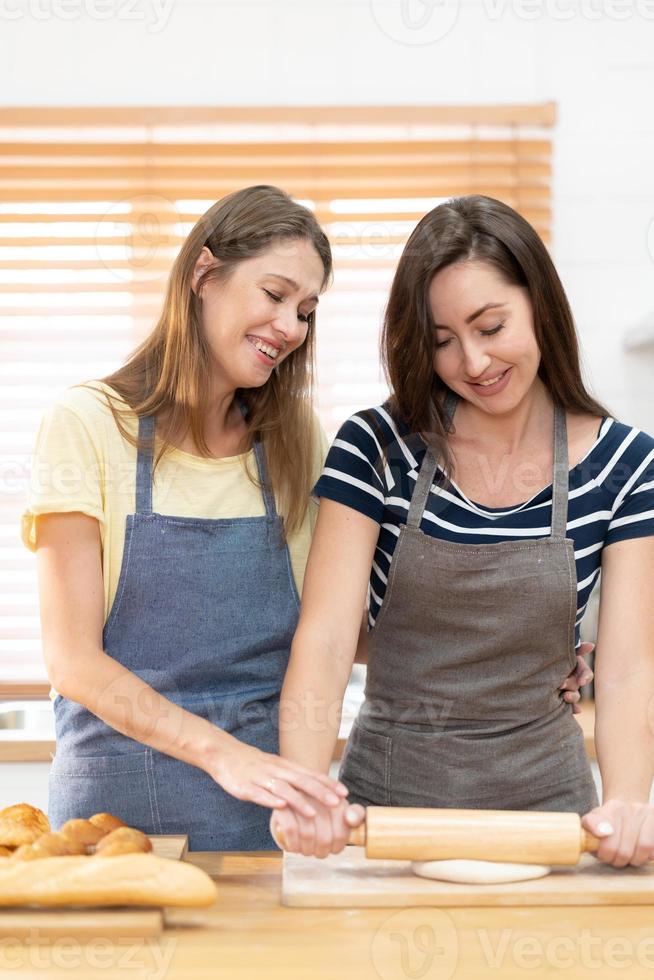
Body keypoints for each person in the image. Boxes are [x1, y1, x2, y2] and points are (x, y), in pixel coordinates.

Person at [273, 195, 654, 868]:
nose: (473, 362)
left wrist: (626, 799)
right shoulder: (376, 447)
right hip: (384, 821)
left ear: (539, 303)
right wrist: (305, 791)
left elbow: (627, 668)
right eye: (442, 341)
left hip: (553, 823)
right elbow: (328, 639)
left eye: (491, 325)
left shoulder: (625, 467)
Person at [22, 185, 350, 851]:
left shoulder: (295, 441)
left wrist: (519, 647)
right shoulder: (87, 423)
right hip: (112, 831)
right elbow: (74, 662)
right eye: (275, 294)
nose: (291, 326)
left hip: (262, 825)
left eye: (306, 311)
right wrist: (223, 754)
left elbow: (338, 625)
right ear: (204, 274)